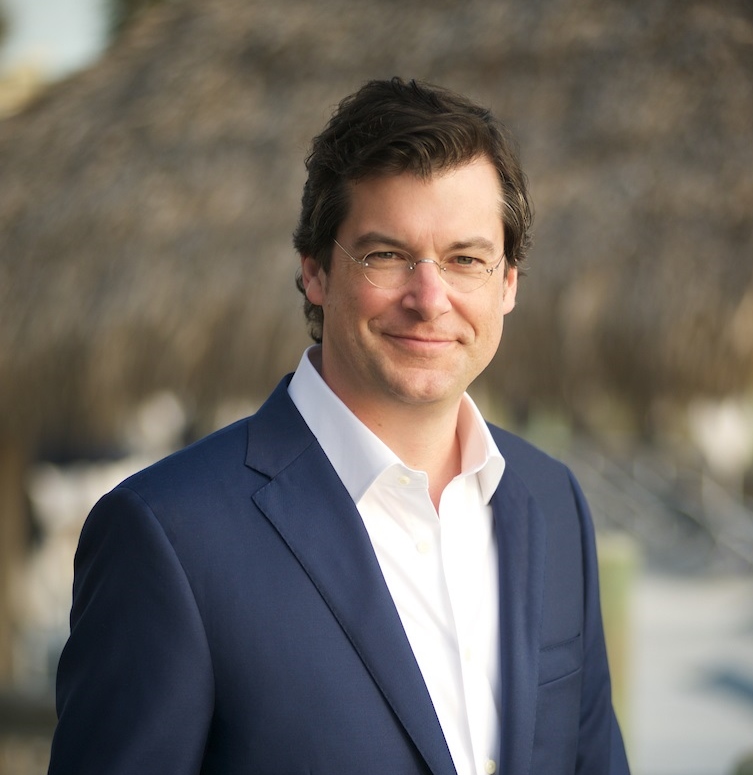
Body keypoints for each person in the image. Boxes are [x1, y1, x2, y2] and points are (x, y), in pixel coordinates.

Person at [48, 77, 630, 775]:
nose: (429, 298)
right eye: (385, 254)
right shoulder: (167, 534)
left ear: (507, 282)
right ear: (315, 272)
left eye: (465, 259)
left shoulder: (553, 500)